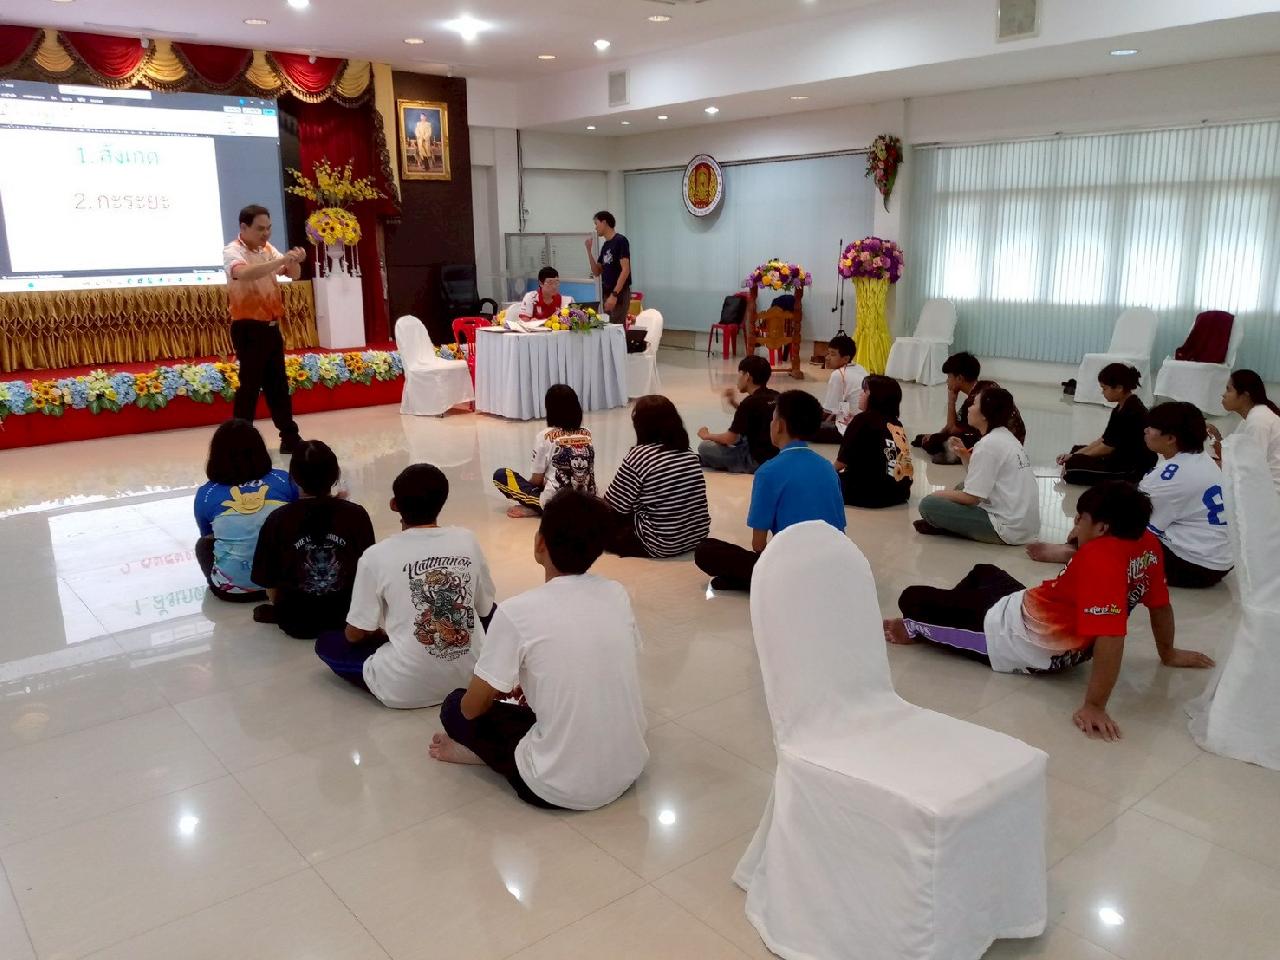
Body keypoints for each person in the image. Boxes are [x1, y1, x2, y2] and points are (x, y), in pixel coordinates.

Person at [886, 481, 1215, 741]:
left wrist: (1094, 706)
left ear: (1102, 527)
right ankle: (959, 614)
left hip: (1016, 641)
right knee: (984, 571)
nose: (1075, 525)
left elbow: (1111, 636)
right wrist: (1168, 652)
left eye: (1080, 519)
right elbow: (1160, 604)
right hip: (1027, 606)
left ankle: (926, 628)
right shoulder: (1147, 544)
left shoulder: (1099, 560)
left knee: (911, 599)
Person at [430, 490, 649, 810]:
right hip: (629, 767)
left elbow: (472, 709)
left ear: (540, 543)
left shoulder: (516, 612)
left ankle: (485, 756)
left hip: (556, 788)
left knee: (454, 706)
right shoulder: (616, 593)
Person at [316, 463, 496, 707]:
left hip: (402, 688)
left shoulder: (376, 556)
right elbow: (485, 609)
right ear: (442, 501)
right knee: (489, 609)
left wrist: (378, 634)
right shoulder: (467, 539)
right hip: (473, 678)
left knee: (327, 643)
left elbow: (356, 633)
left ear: (394, 504)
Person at [695, 390, 846, 592]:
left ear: (779, 425)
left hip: (792, 572)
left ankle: (760, 582)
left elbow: (758, 545)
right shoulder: (828, 468)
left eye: (773, 419)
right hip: (832, 566)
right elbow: (840, 528)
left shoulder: (768, 472)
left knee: (706, 550)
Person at [251, 440, 376, 638]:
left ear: (293, 477)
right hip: (348, 618)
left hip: (296, 622)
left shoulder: (278, 520)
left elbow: (268, 580)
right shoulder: (356, 515)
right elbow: (370, 572)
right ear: (336, 474)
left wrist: (282, 608)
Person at [223, 204, 307, 454]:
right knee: (249, 386)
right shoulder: (232, 250)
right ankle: (241, 440)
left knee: (278, 385)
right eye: (260, 229)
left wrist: (294, 261)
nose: (266, 233)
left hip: (271, 327)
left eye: (269, 228)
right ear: (243, 227)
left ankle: (289, 437)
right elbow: (245, 274)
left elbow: (294, 274)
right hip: (248, 328)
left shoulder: (267, 249)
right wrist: (281, 261)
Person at [915, 387, 1039, 544]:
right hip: (1025, 527)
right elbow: (979, 478)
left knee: (928, 504)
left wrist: (936, 494)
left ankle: (950, 526)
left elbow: (972, 498)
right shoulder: (1006, 437)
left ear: (985, 414)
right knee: (962, 486)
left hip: (1006, 529)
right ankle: (949, 524)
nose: (969, 408)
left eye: (974, 404)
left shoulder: (988, 444)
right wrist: (964, 455)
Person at [194, 419, 298, 602]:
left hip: (234, 592)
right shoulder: (284, 480)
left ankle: (225, 578)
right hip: (287, 584)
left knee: (203, 544)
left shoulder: (206, 494)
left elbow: (209, 536)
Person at [1139, 402, 1232, 588]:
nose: (1145, 430)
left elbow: (1139, 526)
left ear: (1170, 438)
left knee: (1107, 533)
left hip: (1192, 565)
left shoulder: (1170, 477)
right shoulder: (1203, 459)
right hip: (1219, 560)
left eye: (1151, 427)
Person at [605, 395, 711, 557]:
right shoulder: (687, 452)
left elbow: (613, 506)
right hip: (697, 536)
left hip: (661, 543)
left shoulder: (639, 456)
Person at [492, 384, 596, 518]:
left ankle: (537, 507)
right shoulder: (587, 433)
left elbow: (536, 480)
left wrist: (538, 485)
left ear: (550, 410)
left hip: (557, 505)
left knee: (501, 475)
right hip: (587, 502)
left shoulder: (544, 436)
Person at [913, 352, 1026, 464]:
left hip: (997, 447)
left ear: (959, 378)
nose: (947, 381)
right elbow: (954, 428)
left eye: (949, 376)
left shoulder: (975, 399)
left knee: (935, 442)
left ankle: (957, 455)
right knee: (933, 438)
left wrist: (951, 401)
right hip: (1014, 441)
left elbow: (952, 428)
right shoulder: (987, 385)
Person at [1059, 363, 1157, 486]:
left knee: (1073, 469)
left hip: (1132, 466)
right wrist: (1074, 455)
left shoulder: (1131, 412)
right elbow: (1104, 440)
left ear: (1119, 388)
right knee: (1076, 450)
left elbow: (1107, 447)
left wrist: (1074, 458)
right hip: (1118, 455)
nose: (1102, 392)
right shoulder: (1121, 407)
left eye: (1104, 388)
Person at [835, 374, 913, 508]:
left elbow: (841, 463)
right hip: (899, 492)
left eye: (865, 391)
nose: (861, 394)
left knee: (819, 479)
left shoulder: (861, 420)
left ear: (876, 398)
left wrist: (824, 474)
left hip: (869, 494)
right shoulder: (896, 423)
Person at [696, 355, 779, 473]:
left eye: (739, 373)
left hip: (756, 460)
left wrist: (707, 435)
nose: (737, 378)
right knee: (741, 437)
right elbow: (757, 414)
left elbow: (730, 438)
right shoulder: (776, 395)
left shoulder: (749, 403)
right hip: (776, 454)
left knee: (704, 447)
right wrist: (734, 403)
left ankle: (709, 460)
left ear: (747, 376)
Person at [1208, 369, 1280, 492]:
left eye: (1228, 390)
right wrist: (1215, 436)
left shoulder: (1259, 420)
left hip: (1269, 491)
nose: (1223, 394)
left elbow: (1251, 468)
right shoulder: (1250, 418)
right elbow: (1231, 454)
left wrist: (1220, 466)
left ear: (1245, 396)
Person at [813, 334, 869, 444]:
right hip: (865, 423)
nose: (827, 357)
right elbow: (842, 403)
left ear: (846, 358)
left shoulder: (838, 375)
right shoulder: (859, 368)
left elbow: (827, 410)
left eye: (833, 354)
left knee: (804, 426)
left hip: (852, 429)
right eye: (828, 353)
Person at [585, 210, 632, 325]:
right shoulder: (606, 246)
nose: (596, 227)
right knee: (607, 327)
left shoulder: (620, 241)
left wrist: (614, 295)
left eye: (596, 223)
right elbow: (597, 271)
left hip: (619, 293)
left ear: (604, 222)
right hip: (607, 293)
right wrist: (589, 251)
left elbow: (625, 270)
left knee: (616, 327)